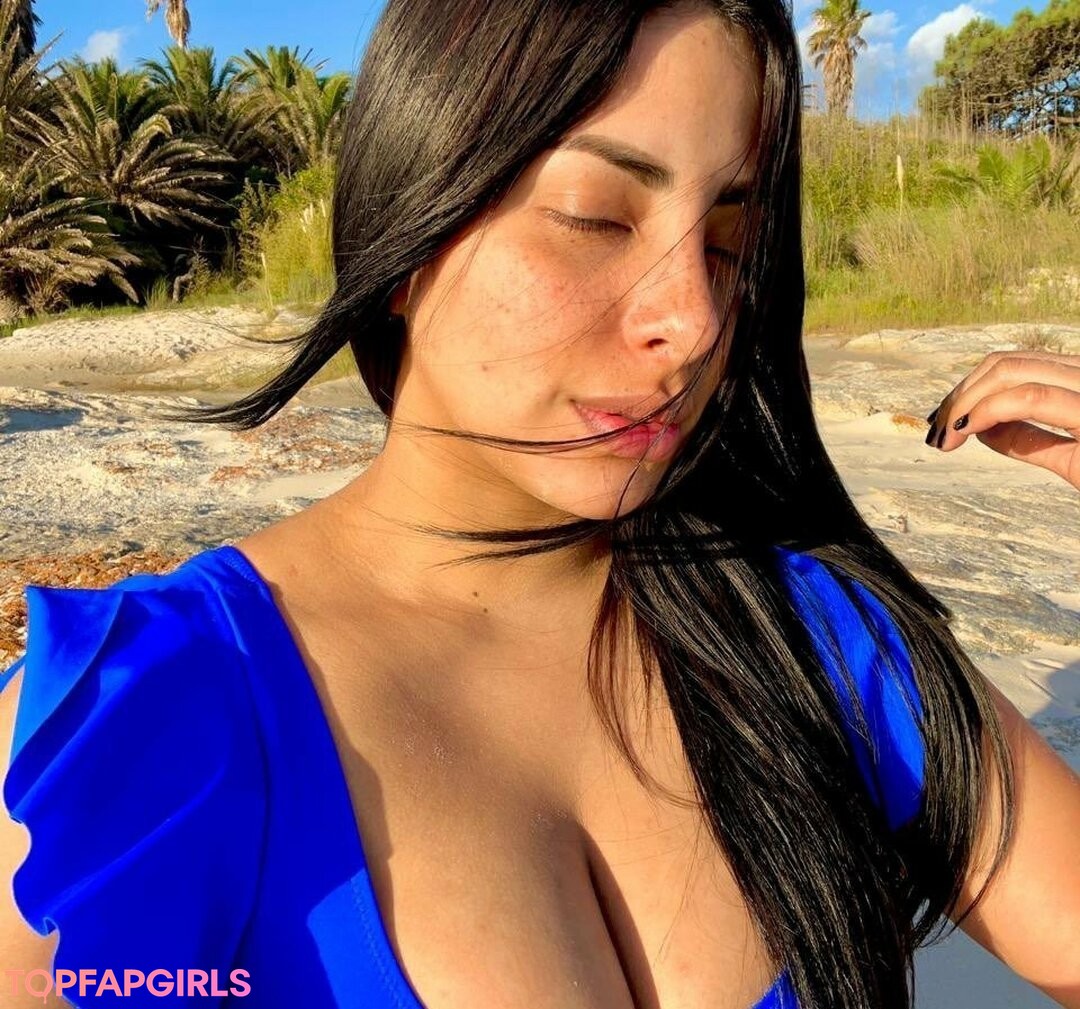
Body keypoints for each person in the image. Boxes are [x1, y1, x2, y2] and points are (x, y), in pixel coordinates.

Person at [0, 1, 1078, 1007]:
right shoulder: (127, 730)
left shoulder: (815, 636)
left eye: (727, 245)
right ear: (408, 222)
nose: (696, 321)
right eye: (595, 218)